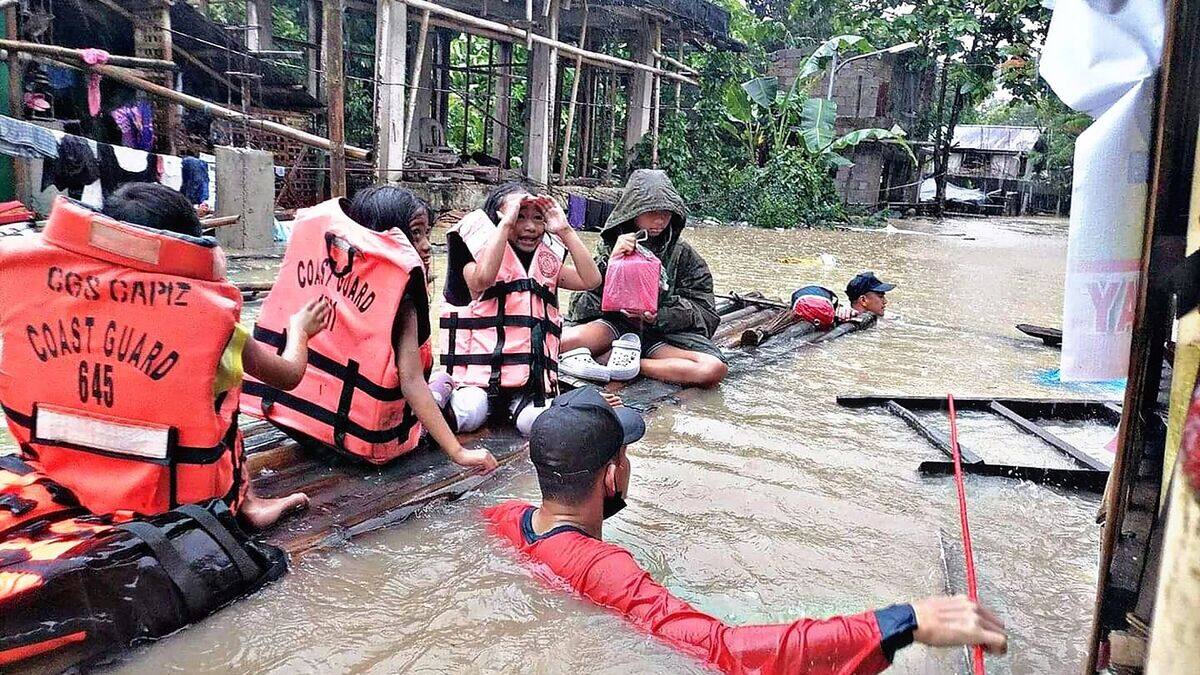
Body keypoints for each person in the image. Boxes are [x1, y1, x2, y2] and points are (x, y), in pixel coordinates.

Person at [485, 388, 1008, 674]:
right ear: (610, 476)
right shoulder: (608, 568)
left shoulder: (504, 519)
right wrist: (899, 621)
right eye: (626, 456)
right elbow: (724, 651)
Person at [0, 183, 323, 530]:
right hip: (173, 499)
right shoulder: (213, 321)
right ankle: (249, 505)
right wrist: (300, 330)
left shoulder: (36, 293)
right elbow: (287, 375)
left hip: (61, 478)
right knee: (223, 398)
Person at [241, 186, 497, 472]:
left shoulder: (325, 270)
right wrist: (459, 452)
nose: (426, 245)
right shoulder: (402, 299)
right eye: (415, 234)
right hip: (362, 444)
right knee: (448, 385)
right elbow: (412, 382)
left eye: (427, 233)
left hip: (298, 422)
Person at [439, 180, 602, 435]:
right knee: (469, 412)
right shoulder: (472, 260)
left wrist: (565, 230)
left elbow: (591, 280)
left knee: (538, 424)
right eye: (519, 216)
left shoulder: (546, 264)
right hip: (477, 383)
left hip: (529, 385)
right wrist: (505, 224)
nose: (530, 227)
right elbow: (482, 280)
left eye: (538, 218)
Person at [560, 169, 728, 389]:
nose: (660, 220)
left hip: (660, 336)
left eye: (666, 213)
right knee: (556, 344)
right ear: (633, 211)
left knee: (712, 369)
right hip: (612, 327)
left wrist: (658, 315)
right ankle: (615, 358)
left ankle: (625, 364)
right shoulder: (612, 245)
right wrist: (612, 263)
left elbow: (706, 312)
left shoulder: (684, 255)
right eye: (651, 212)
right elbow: (582, 299)